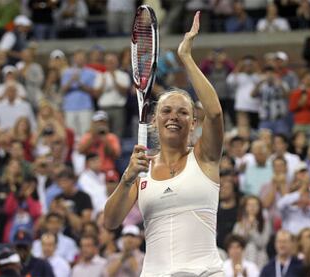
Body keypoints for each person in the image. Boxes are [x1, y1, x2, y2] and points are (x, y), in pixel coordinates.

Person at [104, 12, 225, 276]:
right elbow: (110, 222)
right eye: (166, 111)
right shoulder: (140, 170)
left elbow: (215, 113)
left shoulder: (204, 157)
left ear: (193, 122)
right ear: (155, 121)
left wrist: (186, 58)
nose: (174, 117)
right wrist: (126, 179)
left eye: (183, 112)